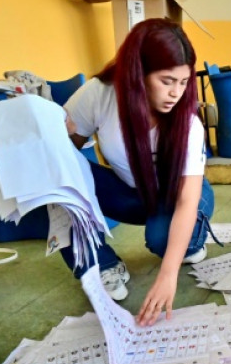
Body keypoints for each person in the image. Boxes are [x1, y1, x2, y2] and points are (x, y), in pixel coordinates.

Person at [63, 18, 215, 326]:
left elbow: (187, 200)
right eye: (166, 81)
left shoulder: (188, 122)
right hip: (129, 194)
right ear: (137, 72)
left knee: (163, 241)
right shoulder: (99, 94)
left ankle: (192, 242)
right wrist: (52, 136)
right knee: (55, 175)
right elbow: (62, 152)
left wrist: (168, 275)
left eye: (183, 82)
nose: (176, 93)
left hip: (177, 196)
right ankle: (101, 265)